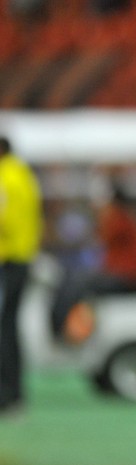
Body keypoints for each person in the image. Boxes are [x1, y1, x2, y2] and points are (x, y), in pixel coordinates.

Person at [49, 183, 136, 343]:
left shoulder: (120, 219)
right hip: (124, 274)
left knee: (77, 284)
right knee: (78, 282)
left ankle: (61, 329)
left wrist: (102, 214)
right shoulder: (129, 218)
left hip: (126, 276)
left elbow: (100, 235)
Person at [0, 136, 43, 415]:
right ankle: (14, 393)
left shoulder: (6, 177)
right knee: (9, 328)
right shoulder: (25, 176)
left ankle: (6, 393)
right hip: (22, 257)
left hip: (7, 259)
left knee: (4, 330)